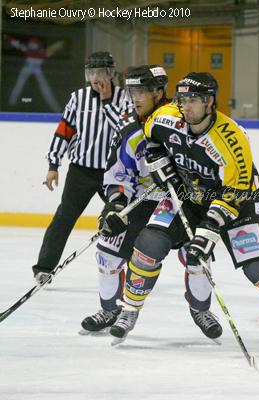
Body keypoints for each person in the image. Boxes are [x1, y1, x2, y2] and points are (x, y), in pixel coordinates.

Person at [109, 72, 259, 354]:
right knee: (148, 244)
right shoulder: (166, 117)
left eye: (194, 100)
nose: (186, 106)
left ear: (210, 102)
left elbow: (234, 192)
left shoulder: (231, 139)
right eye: (183, 99)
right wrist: (157, 158)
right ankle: (129, 309)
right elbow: (151, 135)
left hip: (239, 204)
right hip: (189, 197)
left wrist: (207, 233)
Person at [79, 65, 222, 341]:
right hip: (141, 201)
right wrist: (115, 204)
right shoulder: (128, 127)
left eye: (142, 91)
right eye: (132, 91)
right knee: (108, 249)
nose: (135, 97)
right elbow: (117, 172)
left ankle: (200, 309)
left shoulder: (180, 120)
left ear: (159, 92)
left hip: (179, 200)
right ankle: (111, 310)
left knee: (196, 256)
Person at [32, 51, 132, 283]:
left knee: (125, 218)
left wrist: (107, 100)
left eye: (100, 72)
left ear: (111, 73)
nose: (95, 77)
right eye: (91, 72)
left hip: (113, 172)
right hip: (81, 171)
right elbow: (64, 131)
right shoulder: (78, 97)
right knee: (64, 218)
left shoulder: (125, 97)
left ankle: (133, 269)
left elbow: (123, 129)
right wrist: (53, 164)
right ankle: (43, 268)